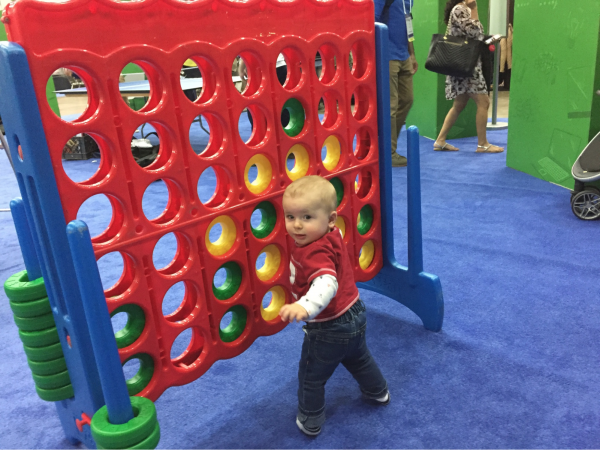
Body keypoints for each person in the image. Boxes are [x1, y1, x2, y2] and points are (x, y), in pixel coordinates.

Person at [279, 176, 389, 437]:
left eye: (307, 217)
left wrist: (305, 306)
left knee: (311, 375)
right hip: (355, 312)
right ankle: (378, 391)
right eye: (290, 216)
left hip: (329, 327)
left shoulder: (312, 252)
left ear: (329, 219)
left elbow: (326, 283)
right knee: (359, 357)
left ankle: (311, 418)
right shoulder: (333, 233)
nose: (297, 225)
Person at [433, 0, 504, 153]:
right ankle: (482, 144)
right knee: (483, 102)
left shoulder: (460, 9)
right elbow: (476, 33)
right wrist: (475, 9)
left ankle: (440, 140)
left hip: (463, 66)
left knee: (459, 104)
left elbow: (475, 33)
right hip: (467, 66)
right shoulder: (461, 9)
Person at [374, 0, 418, 167]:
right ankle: (388, 152)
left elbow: (408, 23)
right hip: (387, 53)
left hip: (404, 54)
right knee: (390, 106)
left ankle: (385, 146)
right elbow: (373, 23)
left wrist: (412, 54)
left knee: (407, 100)